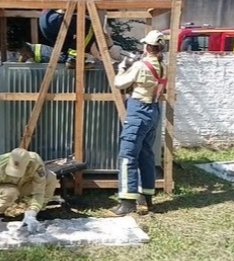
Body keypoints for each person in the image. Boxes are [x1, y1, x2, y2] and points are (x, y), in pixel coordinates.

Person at [109, 30, 168, 216]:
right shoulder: (164, 66)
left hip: (139, 112)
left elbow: (119, 84)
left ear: (147, 47)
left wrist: (121, 68)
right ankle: (146, 200)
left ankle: (127, 203)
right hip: (154, 111)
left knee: (127, 155)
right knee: (146, 155)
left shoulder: (141, 66)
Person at [0, 148, 60, 233]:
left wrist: (32, 212)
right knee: (10, 192)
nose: (15, 176)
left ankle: (37, 213)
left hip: (25, 186)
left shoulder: (36, 164)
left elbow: (39, 192)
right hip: (6, 190)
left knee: (51, 178)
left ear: (27, 164)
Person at [38, 9, 116, 69]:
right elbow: (99, 24)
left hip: (46, 19)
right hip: (57, 18)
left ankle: (69, 59)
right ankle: (75, 58)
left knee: (66, 50)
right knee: (92, 26)